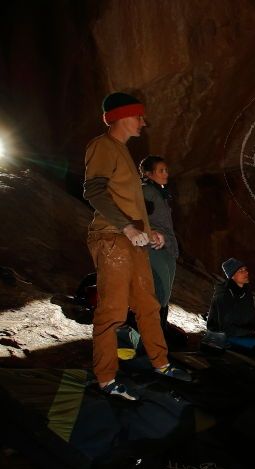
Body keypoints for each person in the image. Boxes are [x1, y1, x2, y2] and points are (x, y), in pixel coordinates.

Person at [83, 92, 189, 400]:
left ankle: (161, 363)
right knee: (113, 311)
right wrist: (127, 227)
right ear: (119, 117)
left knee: (148, 305)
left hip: (134, 240)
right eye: (138, 116)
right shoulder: (101, 146)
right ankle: (106, 379)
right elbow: (94, 191)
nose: (143, 122)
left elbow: (130, 203)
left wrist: (150, 231)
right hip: (112, 238)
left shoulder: (123, 153)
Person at [140, 155, 179, 336]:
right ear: (148, 174)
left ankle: (158, 333)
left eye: (166, 170)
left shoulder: (159, 193)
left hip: (167, 248)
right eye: (161, 170)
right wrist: (152, 232)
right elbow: (136, 216)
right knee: (160, 292)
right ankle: (150, 336)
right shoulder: (147, 191)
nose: (166, 173)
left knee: (164, 293)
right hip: (155, 248)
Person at [206, 258, 255, 351]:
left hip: (244, 333)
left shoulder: (246, 293)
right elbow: (227, 328)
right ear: (232, 275)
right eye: (241, 271)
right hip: (223, 337)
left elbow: (252, 318)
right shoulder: (223, 296)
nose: (246, 273)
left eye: (245, 269)